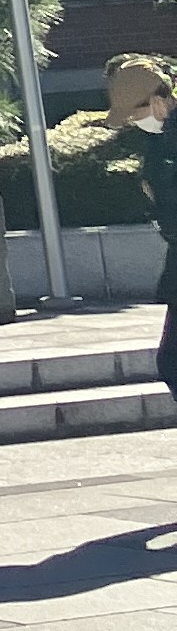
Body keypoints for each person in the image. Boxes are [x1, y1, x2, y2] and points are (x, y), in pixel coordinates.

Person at [106, 54, 177, 404]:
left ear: (158, 101)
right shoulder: (159, 139)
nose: (135, 123)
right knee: (171, 362)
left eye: (136, 114)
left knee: (173, 361)